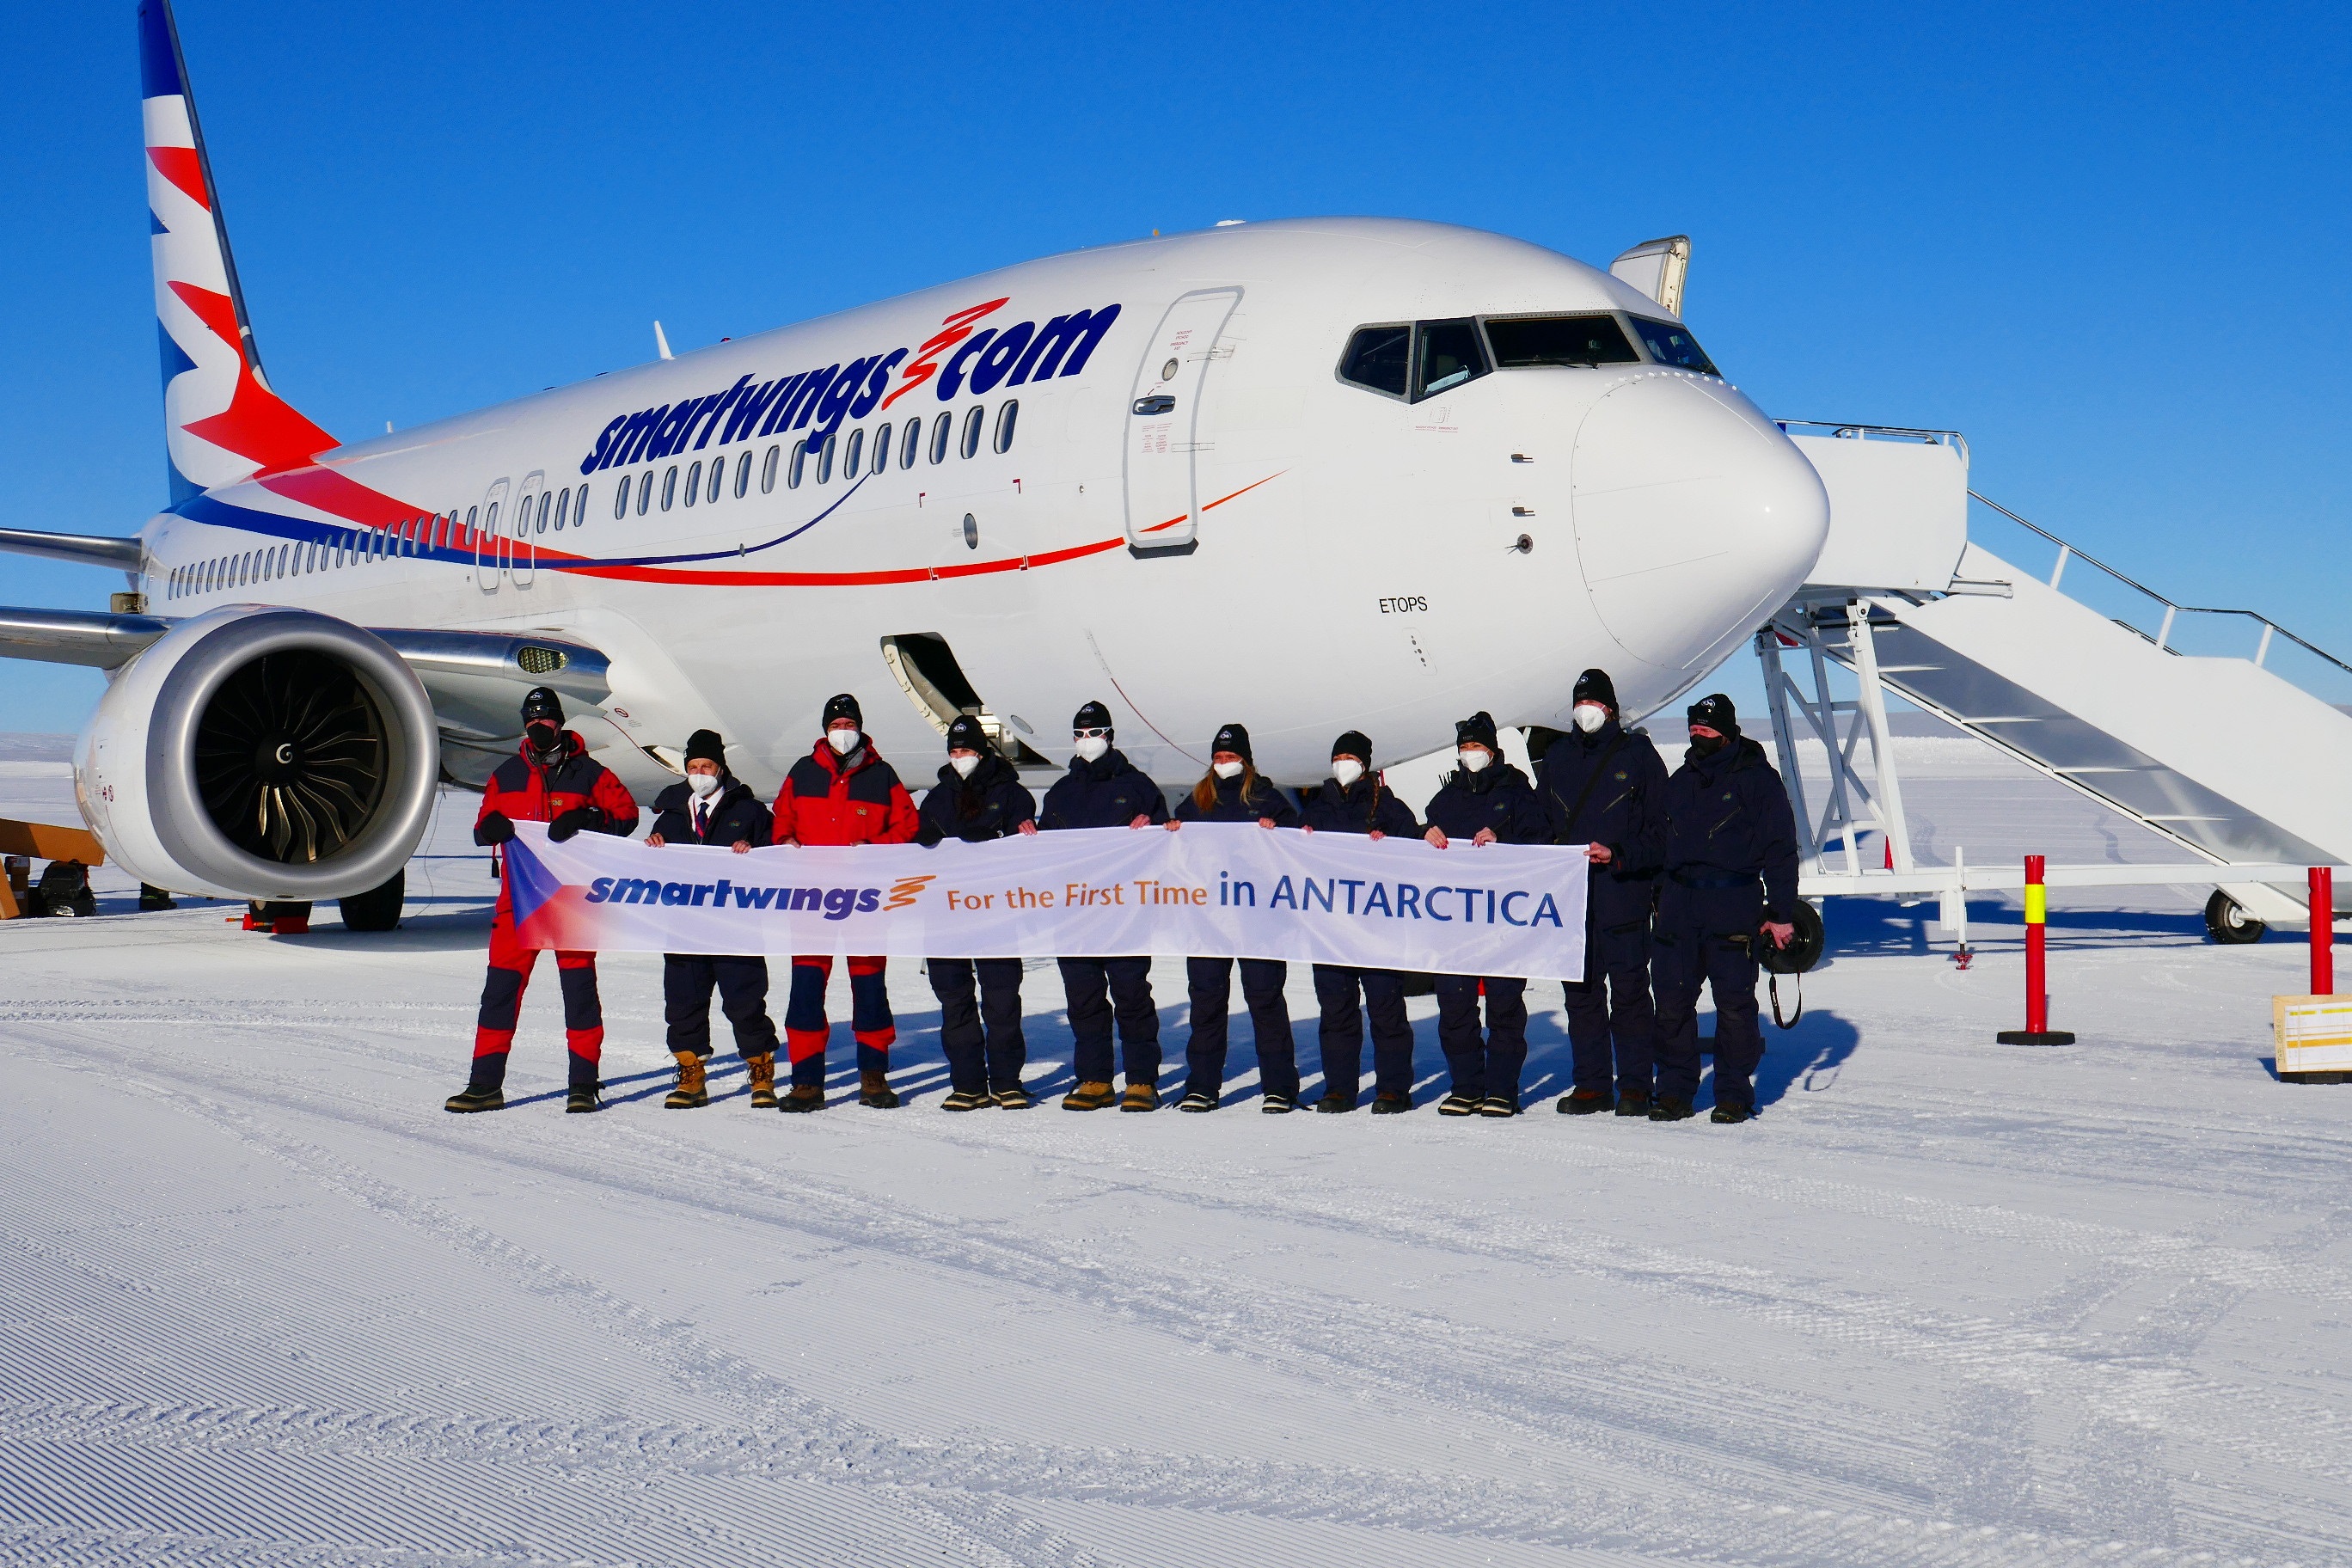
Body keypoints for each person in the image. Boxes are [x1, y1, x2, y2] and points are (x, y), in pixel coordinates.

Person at [446, 687, 640, 1115]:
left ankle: (583, 1086)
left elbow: (627, 816)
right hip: (518, 905)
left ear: (560, 722)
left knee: (579, 994)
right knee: (499, 994)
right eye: (531, 720)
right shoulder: (506, 774)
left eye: (546, 719)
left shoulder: (590, 773)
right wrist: (491, 827)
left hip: (572, 903)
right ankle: (484, 1086)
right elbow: (481, 828)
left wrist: (589, 818)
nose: (539, 726)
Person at [1651, 693, 1800, 1125]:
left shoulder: (1759, 781)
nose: (1700, 734)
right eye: (1694, 727)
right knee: (1673, 1002)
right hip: (1679, 907)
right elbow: (1659, 845)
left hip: (1733, 903)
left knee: (1734, 1004)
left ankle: (1734, 1092)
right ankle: (1675, 1091)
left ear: (1729, 731)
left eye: (1708, 728)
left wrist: (1782, 911)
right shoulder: (1679, 781)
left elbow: (1780, 851)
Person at [770, 694, 919, 1111]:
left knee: (870, 987)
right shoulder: (802, 772)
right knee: (805, 989)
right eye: (836, 726)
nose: (842, 732)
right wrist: (784, 839)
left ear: (860, 728)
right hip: (811, 901)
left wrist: (874, 846)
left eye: (848, 724)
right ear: (825, 731)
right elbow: (781, 818)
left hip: (865, 902)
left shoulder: (882, 774)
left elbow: (908, 825)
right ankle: (806, 1082)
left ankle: (873, 1077)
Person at [1537, 669, 1668, 1118]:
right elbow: (1540, 825)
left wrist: (1619, 855)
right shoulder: (1556, 757)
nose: (1584, 711)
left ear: (1610, 708)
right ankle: (1591, 1084)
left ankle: (1634, 1085)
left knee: (1630, 994)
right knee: (1581, 995)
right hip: (1570, 902)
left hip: (1622, 894)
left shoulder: (1639, 757)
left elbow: (1662, 832)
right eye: (1579, 703)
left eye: (1592, 703)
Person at [1038, 699, 1168, 1111]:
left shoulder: (1138, 786)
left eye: (1093, 733)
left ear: (1109, 736)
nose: (1086, 741)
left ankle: (1142, 1080)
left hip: (1124, 911)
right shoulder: (1061, 791)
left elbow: (1168, 841)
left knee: (1132, 996)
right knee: (1084, 999)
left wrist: (1154, 830)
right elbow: (1044, 849)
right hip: (1074, 913)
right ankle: (1095, 1079)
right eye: (1079, 734)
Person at [1421, 711, 1551, 1117]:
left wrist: (1503, 838)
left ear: (1492, 751)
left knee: (1504, 1007)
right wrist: (1425, 833)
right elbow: (1419, 838)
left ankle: (1501, 1089)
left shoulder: (1517, 793)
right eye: (1465, 748)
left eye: (1477, 747)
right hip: (1455, 922)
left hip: (1503, 921)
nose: (1470, 754)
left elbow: (1540, 841)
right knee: (1455, 1007)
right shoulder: (1447, 797)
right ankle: (1466, 1086)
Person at [1166, 723, 1300, 1112]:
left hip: (1258, 919)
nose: (1224, 763)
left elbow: (1296, 844)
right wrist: (1173, 830)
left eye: (1231, 757)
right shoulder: (1198, 800)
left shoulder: (1268, 798)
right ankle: (1202, 1086)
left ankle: (1279, 1087)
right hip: (1208, 919)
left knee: (1265, 1000)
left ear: (1246, 761)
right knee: (1206, 1001)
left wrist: (1280, 830)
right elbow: (1177, 848)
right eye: (1219, 757)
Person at [645, 729, 779, 1109]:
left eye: (706, 765)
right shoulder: (670, 814)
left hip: (736, 927)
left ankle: (760, 1069)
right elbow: (652, 868)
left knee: (745, 1001)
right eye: (692, 766)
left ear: (720, 768)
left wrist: (756, 850)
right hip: (684, 927)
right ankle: (691, 1073)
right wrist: (652, 847)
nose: (699, 772)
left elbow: (776, 855)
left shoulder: (749, 811)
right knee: (684, 1001)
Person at [916, 714, 1040, 1111]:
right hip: (946, 917)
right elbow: (917, 845)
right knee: (955, 1003)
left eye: (966, 750)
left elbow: (1025, 838)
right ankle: (968, 1084)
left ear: (981, 751)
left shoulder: (1012, 792)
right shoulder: (936, 798)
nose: (960, 757)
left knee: (1002, 1002)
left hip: (995, 913)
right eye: (954, 751)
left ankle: (1007, 1082)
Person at [1296, 729, 1421, 1113]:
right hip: (1330, 928)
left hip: (1378, 926)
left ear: (1364, 764)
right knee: (1336, 1010)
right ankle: (1339, 1088)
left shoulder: (1389, 807)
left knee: (1386, 1008)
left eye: (1349, 759)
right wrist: (1296, 837)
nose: (1342, 765)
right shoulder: (1318, 806)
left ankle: (1393, 1088)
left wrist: (1392, 844)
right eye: (1338, 758)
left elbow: (1414, 852)